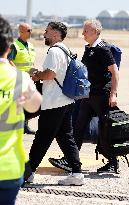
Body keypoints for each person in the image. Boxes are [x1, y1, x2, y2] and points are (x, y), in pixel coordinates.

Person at [49, 19, 119, 174]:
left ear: (95, 32)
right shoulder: (89, 48)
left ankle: (113, 162)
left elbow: (115, 73)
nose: (82, 33)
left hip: (101, 95)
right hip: (88, 95)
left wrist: (113, 94)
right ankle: (71, 160)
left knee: (105, 129)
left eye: (86, 31)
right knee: (78, 127)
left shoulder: (103, 49)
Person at [25, 21, 84, 186]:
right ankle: (77, 173)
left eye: (47, 31)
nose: (44, 34)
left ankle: (27, 174)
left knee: (42, 138)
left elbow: (50, 74)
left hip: (54, 103)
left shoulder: (54, 51)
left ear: (56, 34)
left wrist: (37, 75)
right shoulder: (65, 50)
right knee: (66, 138)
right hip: (66, 100)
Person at [0, 16, 42, 205]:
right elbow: (35, 106)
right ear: (8, 46)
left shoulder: (30, 46)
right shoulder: (19, 79)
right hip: (9, 168)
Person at [8, 22, 37, 135]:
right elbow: (9, 60)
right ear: (21, 32)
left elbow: (29, 63)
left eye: (31, 30)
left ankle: (24, 126)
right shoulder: (14, 46)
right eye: (28, 30)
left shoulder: (30, 46)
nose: (31, 33)